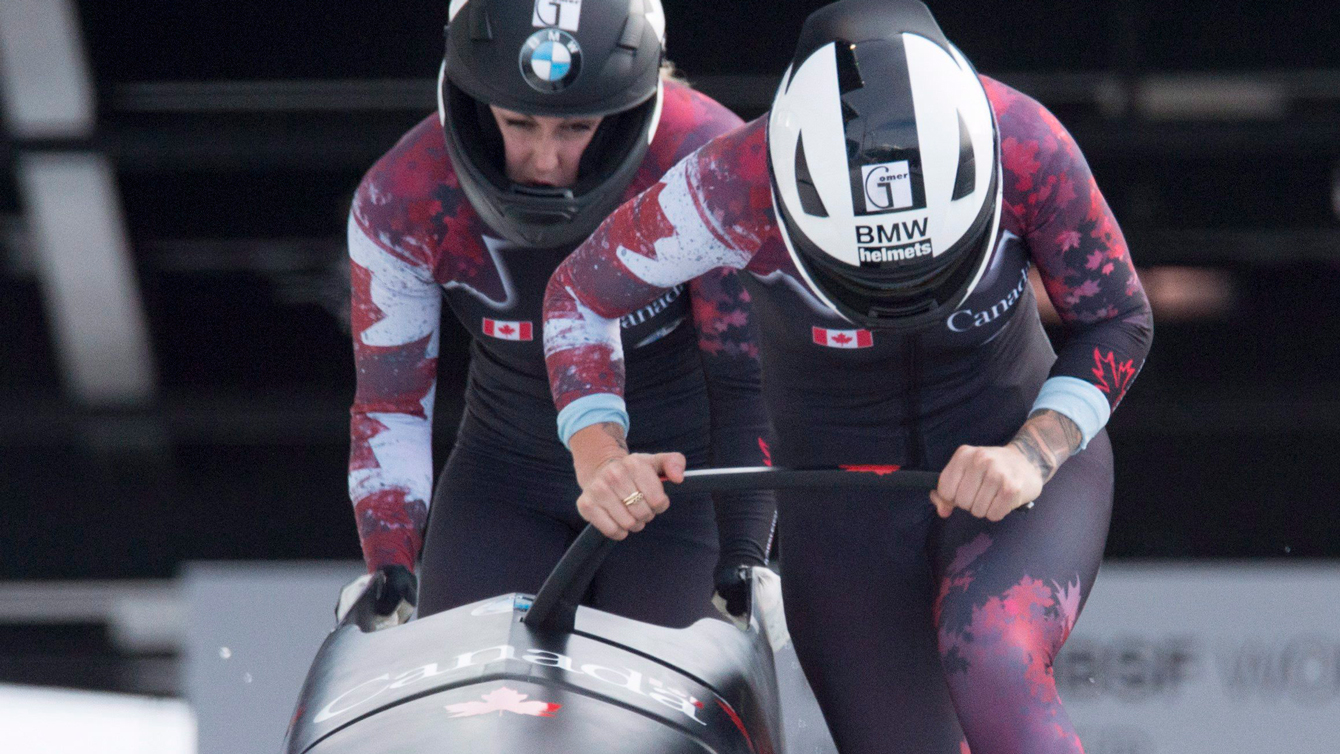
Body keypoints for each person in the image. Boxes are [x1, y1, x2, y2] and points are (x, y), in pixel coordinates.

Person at [542, 1, 1154, 751]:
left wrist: (1032, 452)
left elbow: (1119, 317)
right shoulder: (730, 186)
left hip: (1013, 466)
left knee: (993, 654)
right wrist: (600, 456)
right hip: (841, 508)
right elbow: (578, 294)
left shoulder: (1026, 143)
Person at [343, 0, 774, 631]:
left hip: (670, 486)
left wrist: (744, 554)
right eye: (519, 122)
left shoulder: (707, 160)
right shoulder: (403, 196)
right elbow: (392, 402)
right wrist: (390, 560)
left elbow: (744, 378)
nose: (545, 162)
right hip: (503, 481)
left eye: (575, 128)